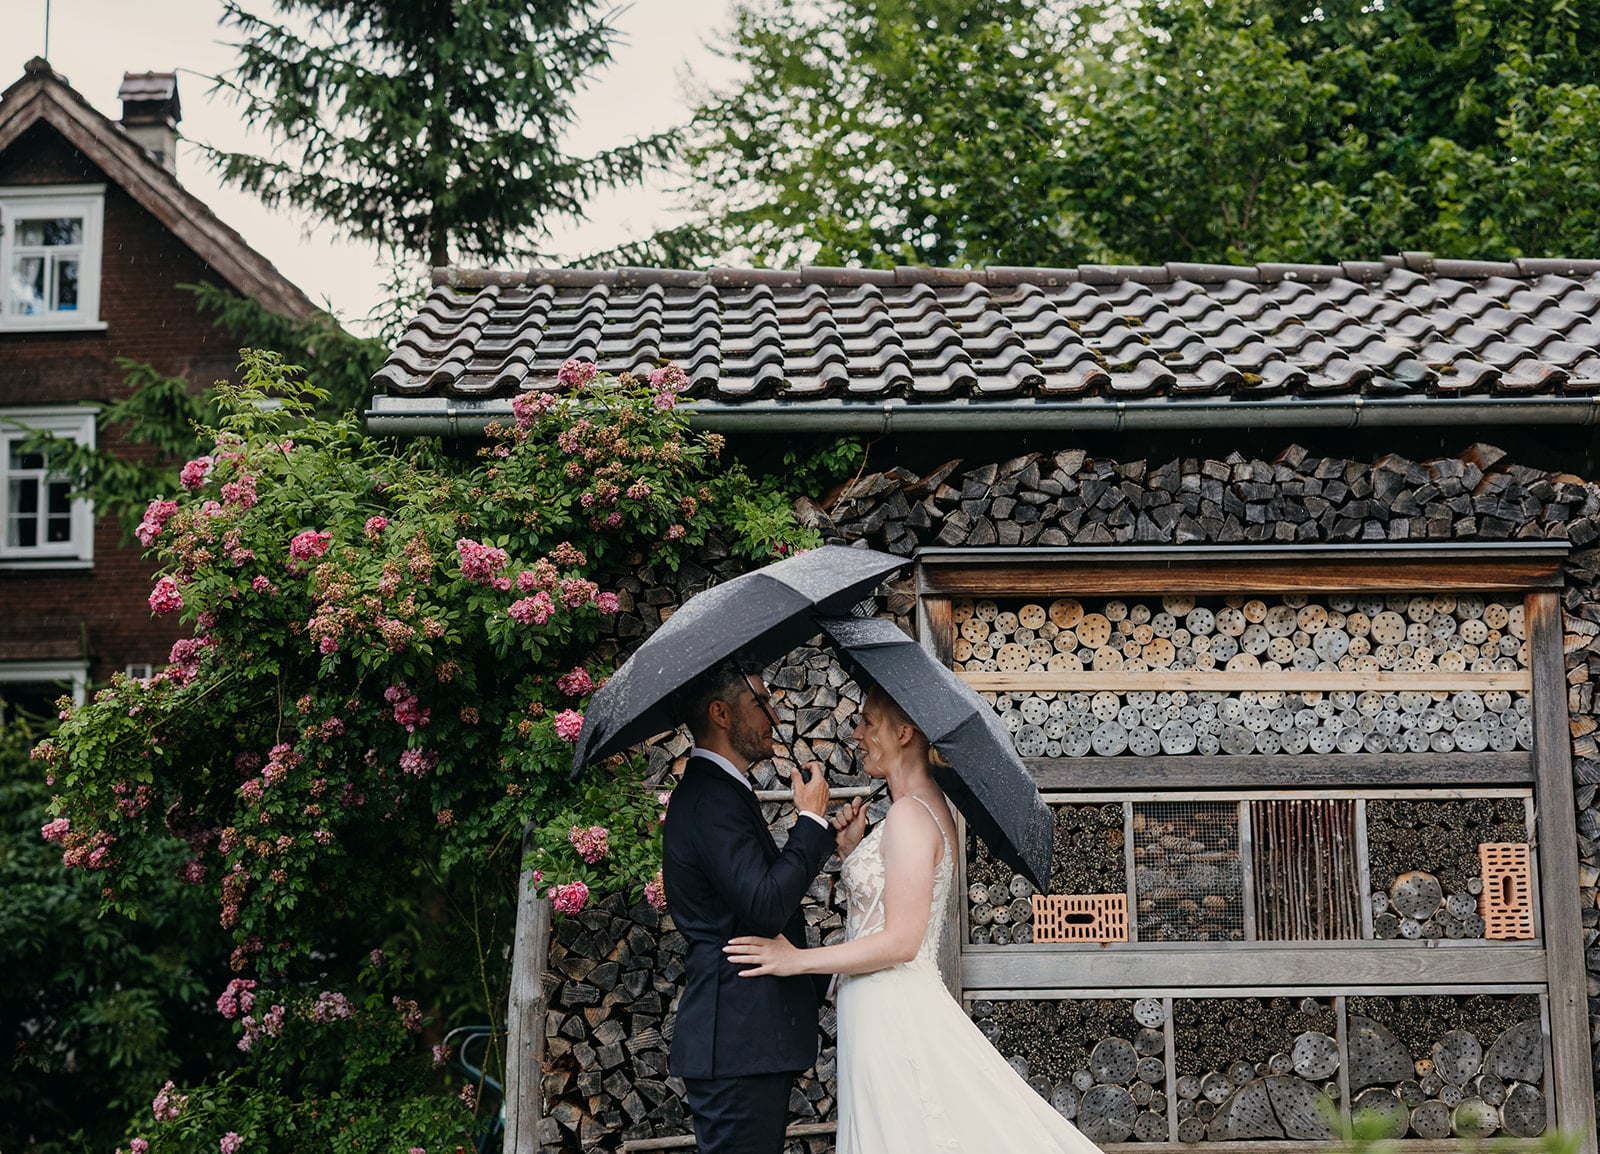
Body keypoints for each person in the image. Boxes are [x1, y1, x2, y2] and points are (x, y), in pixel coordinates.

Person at [724, 685, 1101, 1154]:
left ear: (904, 733)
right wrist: (853, 851)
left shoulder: (909, 816)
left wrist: (795, 959)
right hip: (878, 1007)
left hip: (893, 1010)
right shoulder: (919, 810)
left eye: (868, 722)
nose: (856, 734)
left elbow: (902, 941)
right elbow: (883, 913)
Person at [661, 658, 851, 1154]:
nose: (774, 714)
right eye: (760, 702)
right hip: (736, 1042)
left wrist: (825, 834)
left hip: (745, 1042)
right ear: (721, 714)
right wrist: (809, 820)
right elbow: (766, 905)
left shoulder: (723, 791)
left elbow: (749, 903)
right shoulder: (710, 798)